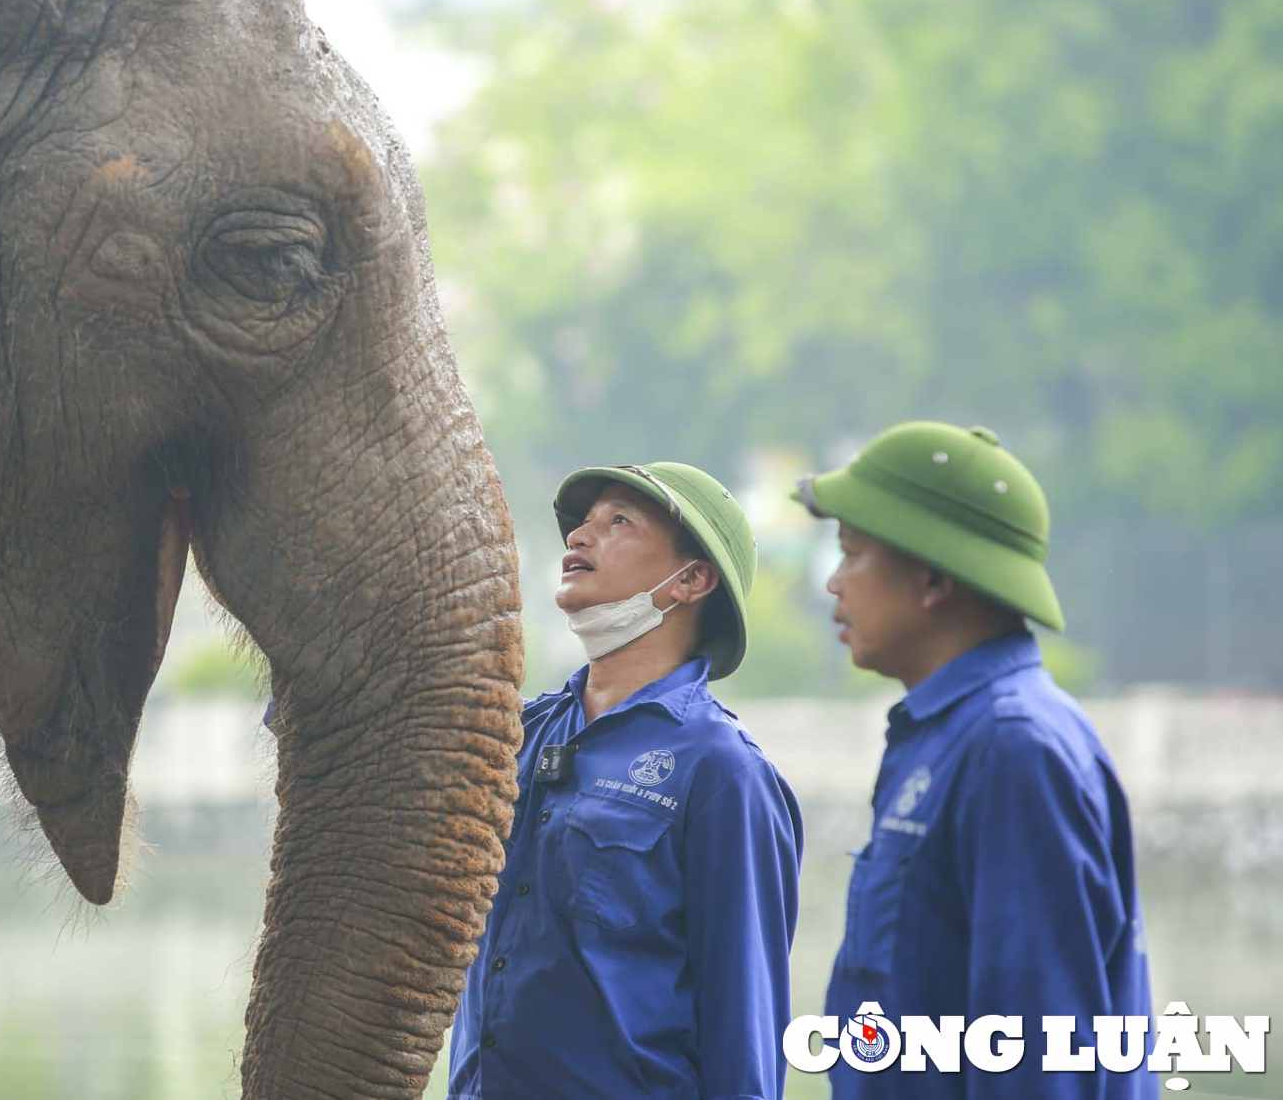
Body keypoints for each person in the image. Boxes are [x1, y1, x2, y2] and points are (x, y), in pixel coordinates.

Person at [798, 422, 1151, 1097]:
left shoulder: (1013, 747)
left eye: (852, 553)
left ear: (932, 578)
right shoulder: (946, 732)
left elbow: (1038, 1057)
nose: (834, 583)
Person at [447, 461, 804, 1099]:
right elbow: (377, 762)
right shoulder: (517, 735)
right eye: (581, 524)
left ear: (691, 580)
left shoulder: (723, 772)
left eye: (618, 522)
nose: (579, 538)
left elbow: (744, 1032)